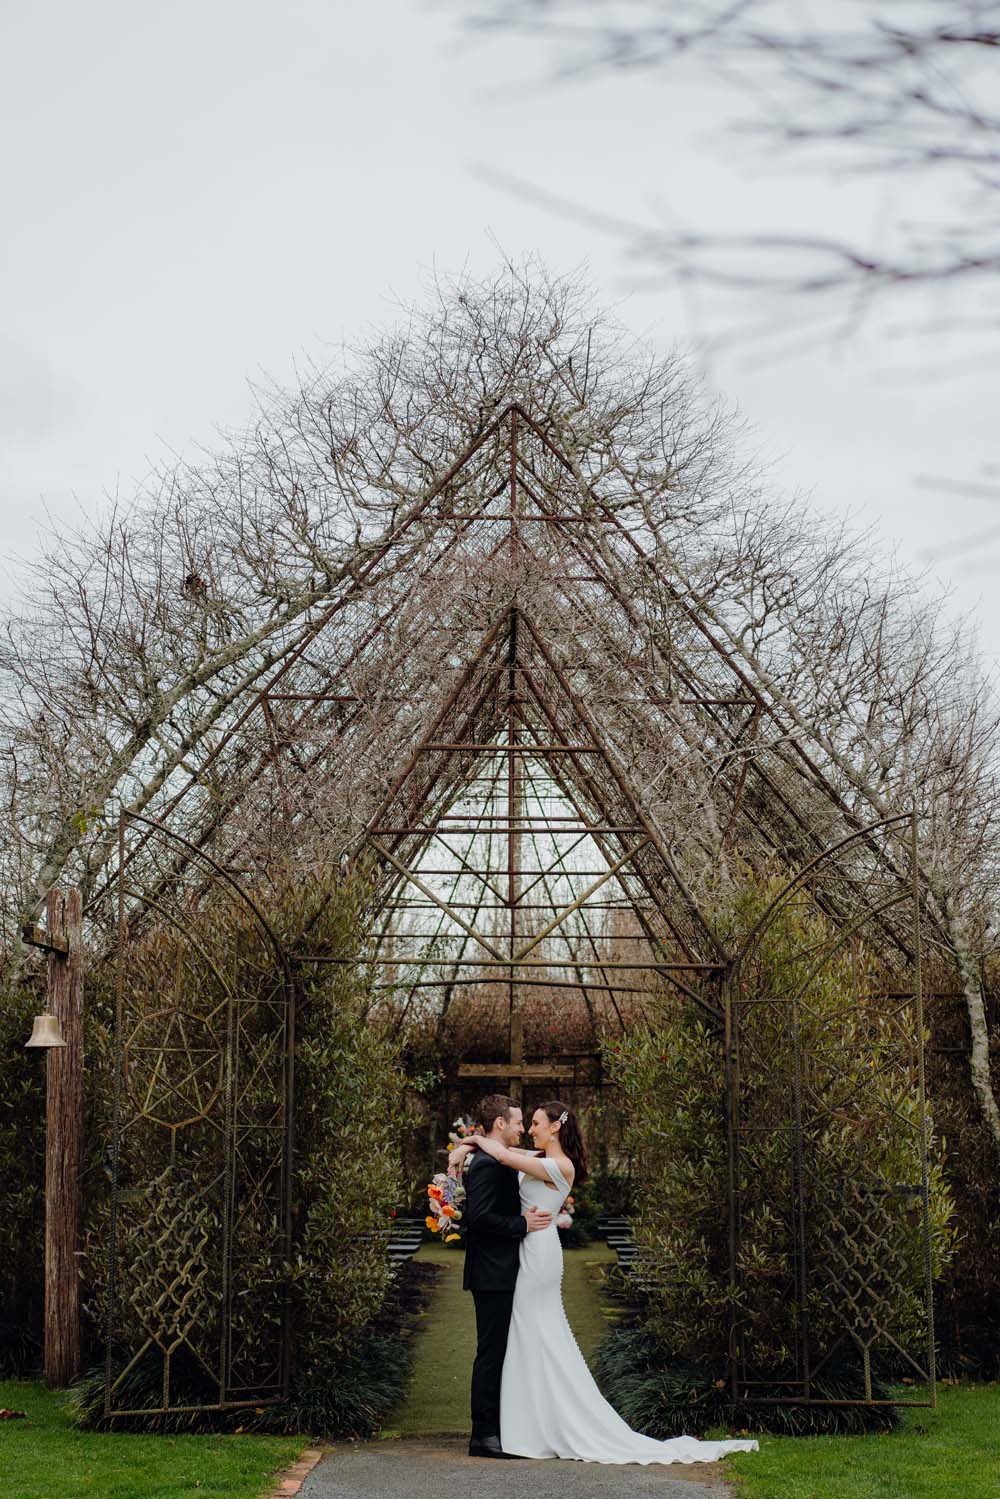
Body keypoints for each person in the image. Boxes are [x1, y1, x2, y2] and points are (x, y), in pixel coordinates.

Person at [451, 1099, 759, 1465]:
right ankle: (525, 1421)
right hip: (527, 1249)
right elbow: (502, 1153)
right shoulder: (536, 1156)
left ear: (554, 1128)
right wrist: (465, 1147)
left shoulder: (559, 1165)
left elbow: (503, 1156)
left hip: (537, 1249)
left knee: (533, 1329)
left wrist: (465, 1146)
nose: (529, 1129)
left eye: (535, 1123)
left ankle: (534, 1422)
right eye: (526, 1123)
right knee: (527, 1334)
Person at [460, 1094, 552, 1459]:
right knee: (491, 1352)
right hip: (491, 1273)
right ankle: (482, 1435)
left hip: (502, 1270)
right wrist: (522, 1224)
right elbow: (478, 1219)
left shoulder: (497, 1159)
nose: (521, 1128)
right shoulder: (485, 1165)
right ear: (499, 1123)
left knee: (502, 1351)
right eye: (516, 1121)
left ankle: (500, 1427)